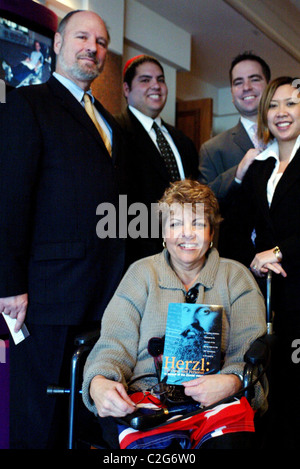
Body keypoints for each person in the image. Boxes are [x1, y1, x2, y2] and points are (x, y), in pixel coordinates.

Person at [0, 10, 125, 449]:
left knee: (86, 423)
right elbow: (10, 199)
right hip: (47, 296)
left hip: (104, 297)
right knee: (41, 424)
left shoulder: (109, 120)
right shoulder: (27, 103)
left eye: (102, 41)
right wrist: (9, 284)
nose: (92, 47)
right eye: (82, 37)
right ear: (56, 43)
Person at [82, 179, 267, 450]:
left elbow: (249, 348)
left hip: (218, 401)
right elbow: (113, 343)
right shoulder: (141, 274)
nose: (187, 234)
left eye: (198, 224)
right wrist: (99, 382)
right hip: (147, 398)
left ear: (212, 232)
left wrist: (230, 381)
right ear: (164, 232)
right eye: (175, 224)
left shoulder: (236, 277)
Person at [225, 76, 300, 448]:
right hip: (264, 296)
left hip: (298, 285)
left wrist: (280, 251)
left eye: (291, 103)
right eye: (274, 104)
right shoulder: (259, 166)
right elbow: (234, 230)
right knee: (267, 388)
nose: (281, 112)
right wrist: (254, 261)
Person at [115, 55, 199, 266]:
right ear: (126, 89)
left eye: (160, 79)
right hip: (137, 259)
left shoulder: (183, 141)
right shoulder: (115, 132)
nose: (156, 86)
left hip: (185, 254)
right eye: (145, 80)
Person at [198, 52, 270, 254]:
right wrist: (237, 174)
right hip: (239, 262)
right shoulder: (213, 149)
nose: (246, 87)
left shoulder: (291, 138)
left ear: (269, 87)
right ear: (231, 93)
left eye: (254, 79)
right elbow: (205, 208)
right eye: (238, 82)